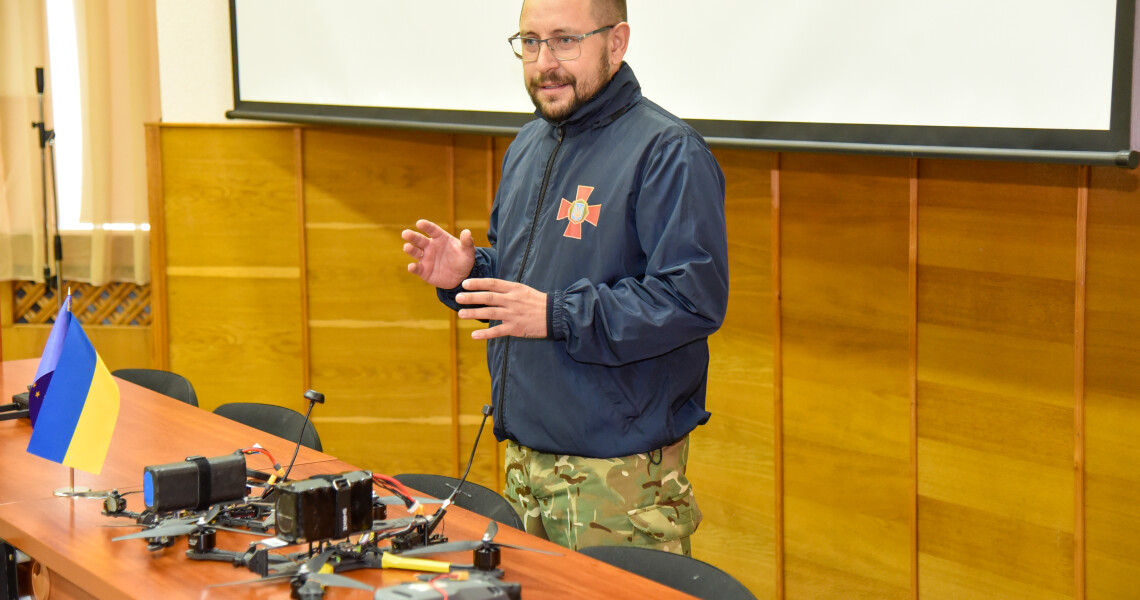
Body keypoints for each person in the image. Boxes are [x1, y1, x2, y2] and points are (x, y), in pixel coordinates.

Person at [400, 0, 728, 556]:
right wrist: (468, 275)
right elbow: (527, 282)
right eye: (530, 42)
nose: (543, 61)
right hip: (524, 462)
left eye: (564, 41)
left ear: (617, 43)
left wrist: (555, 315)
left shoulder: (667, 152)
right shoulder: (530, 144)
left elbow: (690, 299)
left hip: (618, 478)